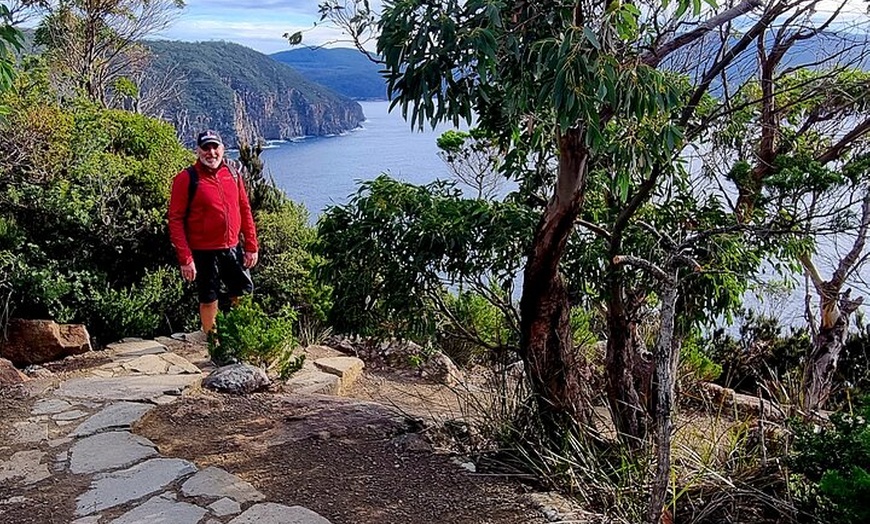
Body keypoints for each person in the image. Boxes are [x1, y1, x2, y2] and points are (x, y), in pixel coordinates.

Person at [168, 130, 259, 335]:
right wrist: (185, 258)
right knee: (209, 298)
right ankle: (213, 343)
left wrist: (251, 246)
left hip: (233, 248)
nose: (211, 152)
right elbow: (175, 220)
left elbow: (244, 209)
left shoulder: (233, 174)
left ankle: (242, 338)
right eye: (206, 148)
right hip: (203, 252)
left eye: (214, 147)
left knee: (243, 294)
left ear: (222, 149)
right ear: (198, 150)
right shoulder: (186, 178)